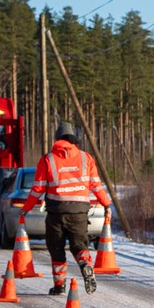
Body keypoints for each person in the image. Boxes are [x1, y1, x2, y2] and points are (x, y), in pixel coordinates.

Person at [19, 122, 114, 296]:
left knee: (56, 248)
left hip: (56, 212)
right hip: (79, 212)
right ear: (73, 139)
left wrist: (25, 208)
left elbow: (38, 189)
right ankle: (85, 264)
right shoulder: (86, 158)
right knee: (79, 245)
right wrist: (107, 205)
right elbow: (96, 185)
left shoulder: (48, 159)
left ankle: (59, 285)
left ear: (57, 139)